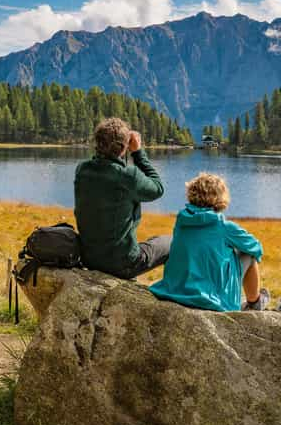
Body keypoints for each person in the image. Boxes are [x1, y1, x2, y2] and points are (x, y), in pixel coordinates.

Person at [150, 173, 270, 311]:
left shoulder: (181, 220)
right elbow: (256, 247)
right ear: (220, 198)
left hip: (176, 290)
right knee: (248, 254)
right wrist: (233, 252)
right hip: (211, 298)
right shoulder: (224, 226)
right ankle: (255, 303)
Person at [74, 117, 171, 279]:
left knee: (153, 242)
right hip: (123, 264)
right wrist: (138, 152)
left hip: (88, 259)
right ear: (123, 147)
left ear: (97, 143)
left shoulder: (82, 170)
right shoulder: (127, 176)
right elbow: (158, 188)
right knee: (171, 243)